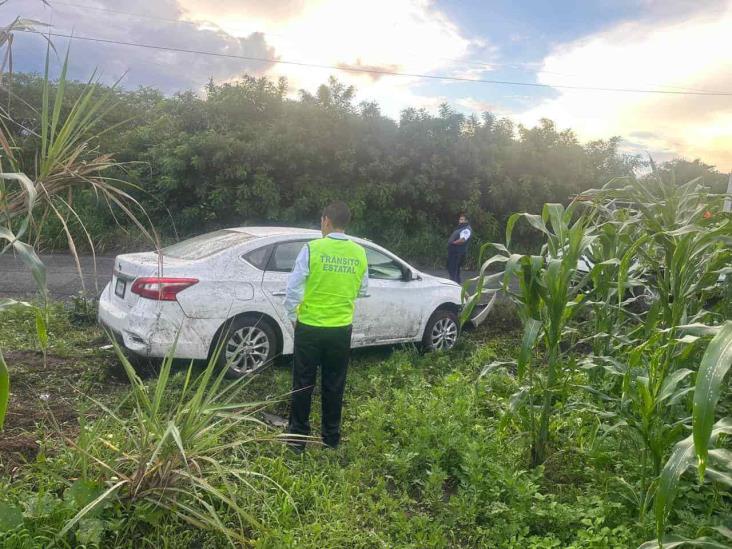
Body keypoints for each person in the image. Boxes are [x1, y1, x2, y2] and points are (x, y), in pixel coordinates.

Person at [283, 201, 368, 453]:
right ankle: (331, 439)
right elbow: (363, 289)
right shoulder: (359, 252)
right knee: (334, 384)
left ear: (326, 221)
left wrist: (292, 315)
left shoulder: (312, 249)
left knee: (303, 383)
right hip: (341, 329)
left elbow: (293, 290)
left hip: (309, 327)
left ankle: (297, 440)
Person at [446, 213, 472, 283]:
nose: (460, 221)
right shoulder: (460, 228)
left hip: (458, 253)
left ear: (466, 221)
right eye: (460, 219)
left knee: (454, 270)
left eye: (462, 219)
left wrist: (453, 243)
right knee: (452, 269)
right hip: (454, 252)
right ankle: (455, 283)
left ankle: (455, 285)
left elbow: (463, 240)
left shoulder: (467, 229)